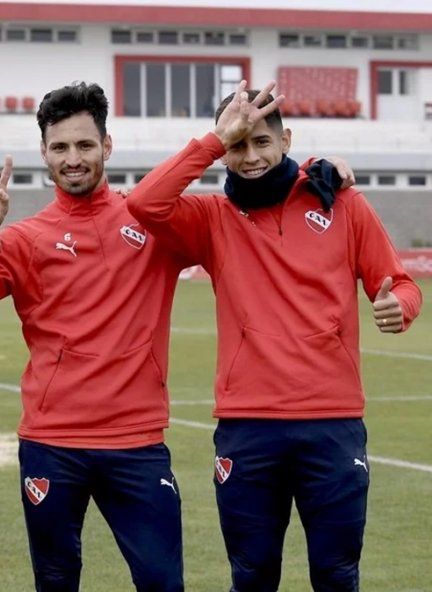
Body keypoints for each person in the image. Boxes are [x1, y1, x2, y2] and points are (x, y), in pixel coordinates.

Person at [126, 80, 422, 592]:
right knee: (253, 575)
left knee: (336, 575)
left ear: (287, 142)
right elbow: (144, 204)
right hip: (248, 428)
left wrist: (402, 306)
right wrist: (215, 140)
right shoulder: (211, 219)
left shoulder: (343, 203)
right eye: (238, 146)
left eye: (261, 142)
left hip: (332, 425)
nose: (251, 156)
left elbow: (399, 282)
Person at [0, 82, 193, 591]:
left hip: (136, 443)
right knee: (55, 582)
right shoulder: (28, 239)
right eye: (60, 147)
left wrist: (320, 169)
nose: (73, 159)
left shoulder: (154, 223)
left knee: (164, 583)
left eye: (84, 145)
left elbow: (245, 214)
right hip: (53, 446)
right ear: (45, 154)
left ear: (107, 146)